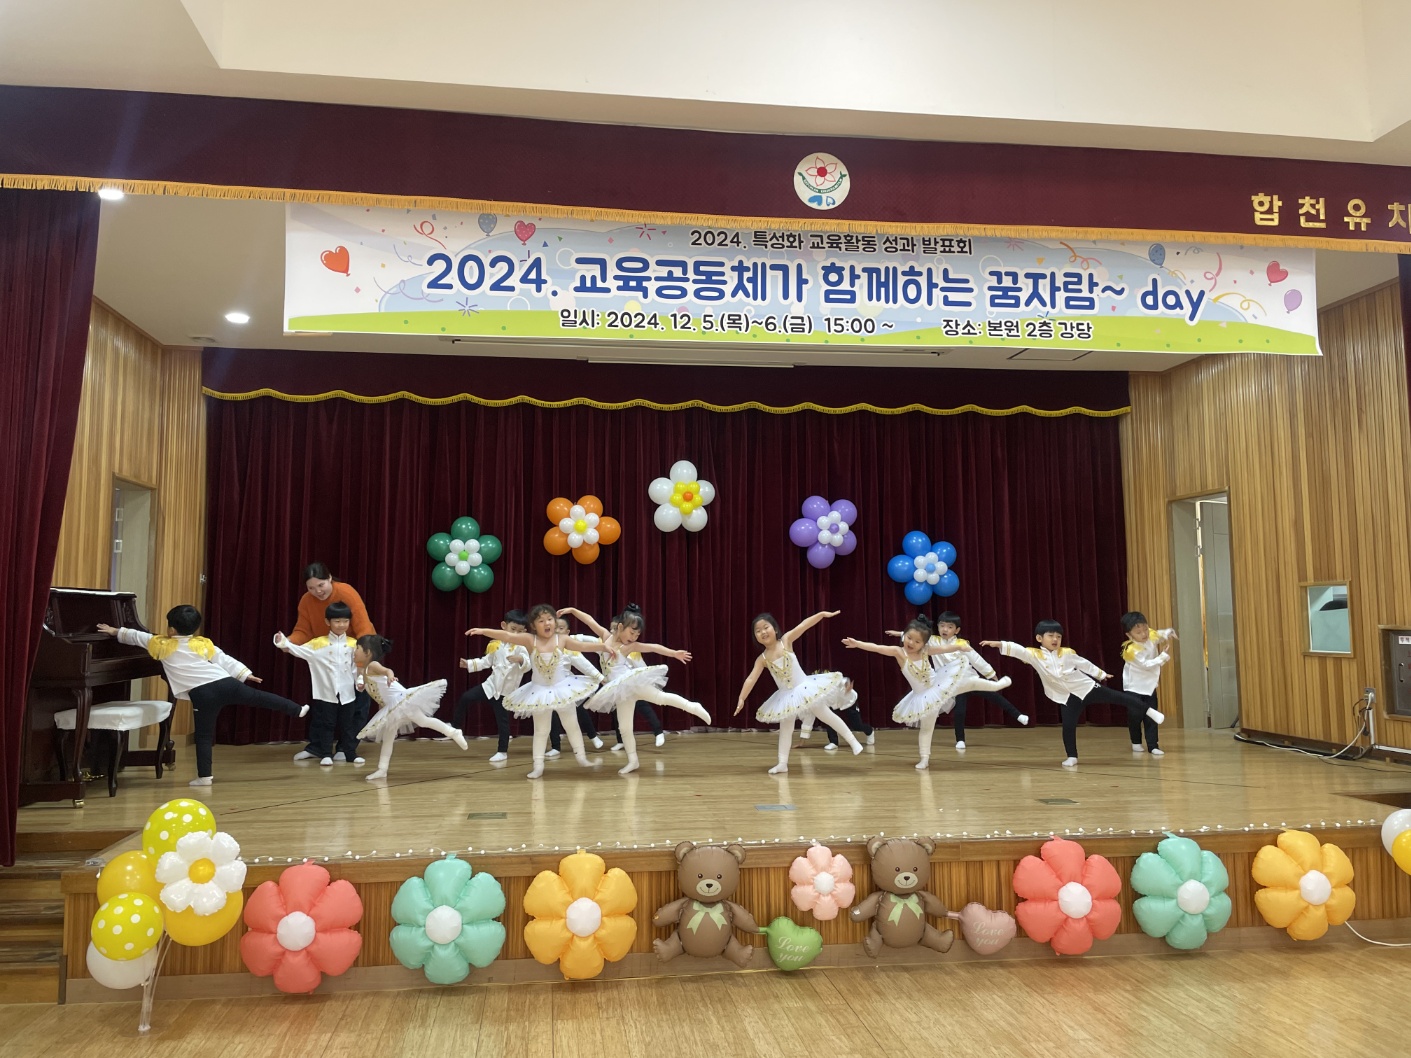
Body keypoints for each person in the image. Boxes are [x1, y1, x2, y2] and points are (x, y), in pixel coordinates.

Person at [97, 605, 308, 786]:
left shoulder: (160, 644)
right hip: (225, 682)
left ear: (171, 629)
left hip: (204, 694)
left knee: (204, 735)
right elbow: (223, 658)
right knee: (261, 698)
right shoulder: (202, 643)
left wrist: (114, 631)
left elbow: (135, 636)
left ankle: (204, 777)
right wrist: (245, 674)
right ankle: (297, 709)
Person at [980, 620, 1164, 767]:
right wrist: (999, 644)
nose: (1055, 639)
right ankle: (1072, 756)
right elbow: (1018, 650)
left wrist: (1101, 674)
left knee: (1121, 698)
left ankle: (1150, 711)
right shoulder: (1034, 655)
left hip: (1086, 688)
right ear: (1039, 638)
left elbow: (1084, 664)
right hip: (1067, 697)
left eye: (1058, 636)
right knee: (1068, 726)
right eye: (1051, 636)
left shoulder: (1067, 653)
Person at [560, 604, 710, 775]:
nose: (634, 637)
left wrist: (674, 653)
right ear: (620, 627)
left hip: (633, 683)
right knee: (624, 728)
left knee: (660, 698)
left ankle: (693, 707)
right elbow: (590, 621)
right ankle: (633, 761)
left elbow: (653, 647)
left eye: (637, 634)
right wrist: (573, 611)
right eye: (632, 633)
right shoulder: (605, 637)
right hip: (619, 691)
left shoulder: (628, 647)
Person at [843, 616, 1012, 769]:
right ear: (904, 636)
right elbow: (877, 648)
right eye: (909, 638)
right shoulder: (899, 652)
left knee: (969, 682)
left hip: (939, 684)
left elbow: (945, 648)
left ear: (923, 644)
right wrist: (858, 644)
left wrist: (960, 646)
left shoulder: (925, 650)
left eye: (917, 641)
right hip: (923, 697)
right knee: (926, 729)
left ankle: (996, 686)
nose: (911, 643)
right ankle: (924, 758)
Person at [467, 605, 602, 780]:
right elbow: (507, 636)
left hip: (563, 689)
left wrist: (605, 648)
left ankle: (582, 758)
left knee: (572, 725)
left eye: (550, 619)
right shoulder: (530, 640)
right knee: (541, 730)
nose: (547, 623)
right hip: (539, 692)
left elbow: (582, 646)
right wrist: (483, 631)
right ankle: (538, 766)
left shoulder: (562, 639)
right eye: (541, 621)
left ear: (555, 622)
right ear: (533, 625)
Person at [733, 610, 862, 774]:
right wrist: (742, 698)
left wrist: (821, 615)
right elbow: (751, 679)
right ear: (755, 637)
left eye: (766, 627)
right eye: (758, 631)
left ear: (775, 629)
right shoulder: (762, 659)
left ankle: (853, 741)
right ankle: (782, 763)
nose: (763, 632)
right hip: (786, 696)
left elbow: (803, 625)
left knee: (825, 714)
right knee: (786, 728)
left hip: (806, 688)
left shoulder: (786, 641)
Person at [886, 611, 1029, 751]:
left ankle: (1018, 715)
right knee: (960, 711)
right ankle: (960, 740)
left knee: (995, 696)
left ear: (957, 630)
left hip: (969, 678)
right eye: (942, 626)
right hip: (952, 684)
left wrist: (990, 673)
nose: (945, 629)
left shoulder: (961, 643)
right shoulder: (933, 641)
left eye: (949, 627)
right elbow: (917, 636)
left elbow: (976, 659)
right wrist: (900, 634)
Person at [289, 562, 376, 758]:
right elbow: (303, 631)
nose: (317, 591)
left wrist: (362, 661)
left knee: (357, 705)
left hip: (356, 654)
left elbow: (364, 628)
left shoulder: (346, 592)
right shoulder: (306, 601)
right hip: (327, 658)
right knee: (323, 705)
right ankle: (318, 747)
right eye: (311, 588)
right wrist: (288, 643)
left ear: (329, 579)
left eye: (321, 585)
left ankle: (347, 748)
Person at [355, 634, 467, 782]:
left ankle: (453, 732)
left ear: (367, 652)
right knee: (389, 737)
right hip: (392, 707)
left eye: (357, 648)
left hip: (403, 701)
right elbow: (377, 691)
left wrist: (390, 676)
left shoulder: (372, 665)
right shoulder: (364, 671)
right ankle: (382, 769)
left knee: (422, 721)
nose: (354, 651)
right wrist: (363, 686)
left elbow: (387, 670)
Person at [274, 600, 362, 766]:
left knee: (348, 725)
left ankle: (350, 754)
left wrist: (359, 681)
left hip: (347, 692)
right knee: (326, 723)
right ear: (328, 622)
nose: (341, 625)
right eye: (337, 621)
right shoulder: (318, 643)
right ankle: (326, 753)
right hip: (326, 691)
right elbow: (297, 650)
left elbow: (357, 666)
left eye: (345, 621)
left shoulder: (353, 644)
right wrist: (283, 642)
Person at [454, 609, 530, 763]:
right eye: (513, 629)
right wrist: (469, 664)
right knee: (466, 697)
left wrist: (521, 659)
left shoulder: (522, 647)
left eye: (520, 631)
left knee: (503, 723)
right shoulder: (496, 645)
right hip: (490, 686)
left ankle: (502, 751)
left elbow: (528, 665)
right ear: (503, 626)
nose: (516, 634)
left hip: (505, 692)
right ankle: (454, 727)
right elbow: (486, 662)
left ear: (525, 632)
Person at [1120, 611, 1177, 756]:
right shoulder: (1131, 651)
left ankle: (1153, 745)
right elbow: (1146, 665)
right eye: (1138, 632)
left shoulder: (1149, 636)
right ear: (1129, 635)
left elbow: (1157, 635)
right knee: (1135, 715)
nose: (1144, 634)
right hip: (1134, 687)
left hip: (1150, 686)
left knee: (1152, 715)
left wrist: (1168, 632)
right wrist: (1163, 657)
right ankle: (1136, 742)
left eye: (1145, 629)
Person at [818, 675, 874, 751]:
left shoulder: (838, 682)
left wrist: (847, 686)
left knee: (857, 726)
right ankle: (833, 742)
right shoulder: (821, 689)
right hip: (835, 704)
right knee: (830, 720)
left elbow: (845, 681)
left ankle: (869, 731)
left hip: (849, 702)